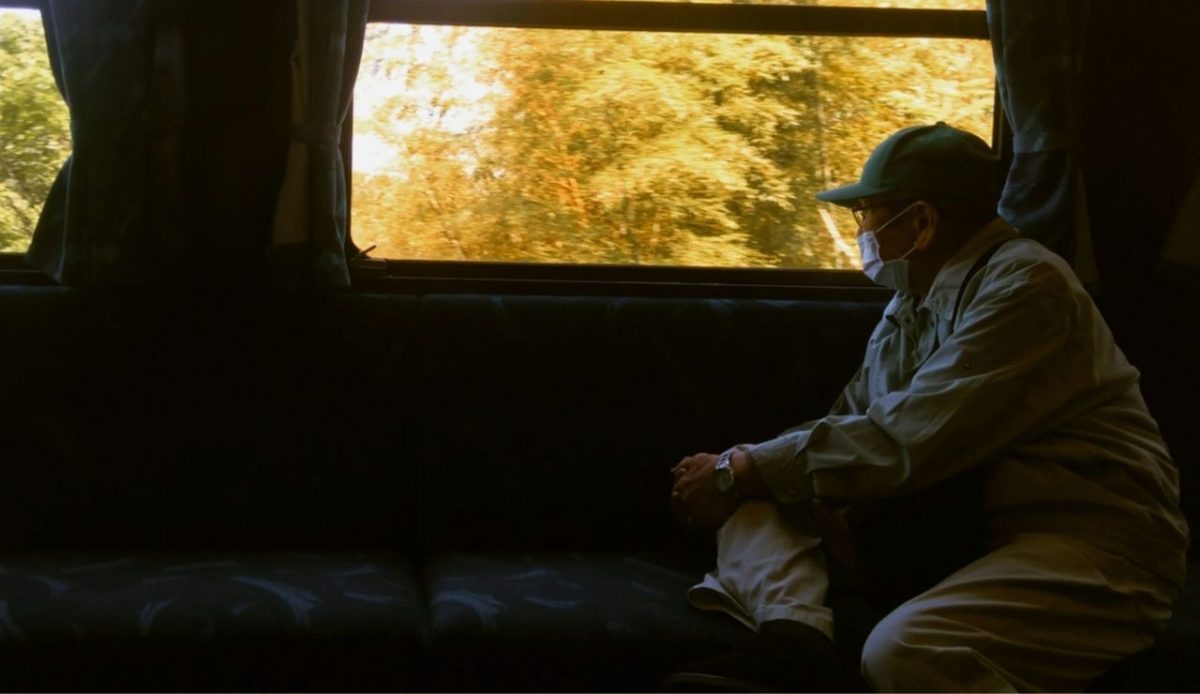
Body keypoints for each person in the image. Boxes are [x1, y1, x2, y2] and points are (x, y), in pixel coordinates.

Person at [666, 122, 1189, 692]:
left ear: (921, 221)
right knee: (753, 503)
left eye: (866, 213)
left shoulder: (1028, 287)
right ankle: (797, 641)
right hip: (957, 533)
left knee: (906, 652)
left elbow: (906, 439)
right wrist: (740, 467)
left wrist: (741, 467)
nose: (862, 232)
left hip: (1085, 542)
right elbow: (850, 424)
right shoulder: (911, 303)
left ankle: (806, 639)